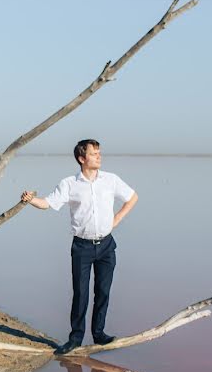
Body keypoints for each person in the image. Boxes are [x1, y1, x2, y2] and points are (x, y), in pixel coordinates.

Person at [21, 139, 138, 355]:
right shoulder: (69, 184)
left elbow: (132, 197)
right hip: (81, 247)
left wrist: (116, 220)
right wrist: (31, 200)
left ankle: (99, 334)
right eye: (94, 153)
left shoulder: (111, 180)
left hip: (106, 246)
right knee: (81, 293)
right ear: (82, 159)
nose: (99, 156)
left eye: (99, 152)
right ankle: (75, 338)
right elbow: (48, 203)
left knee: (103, 291)